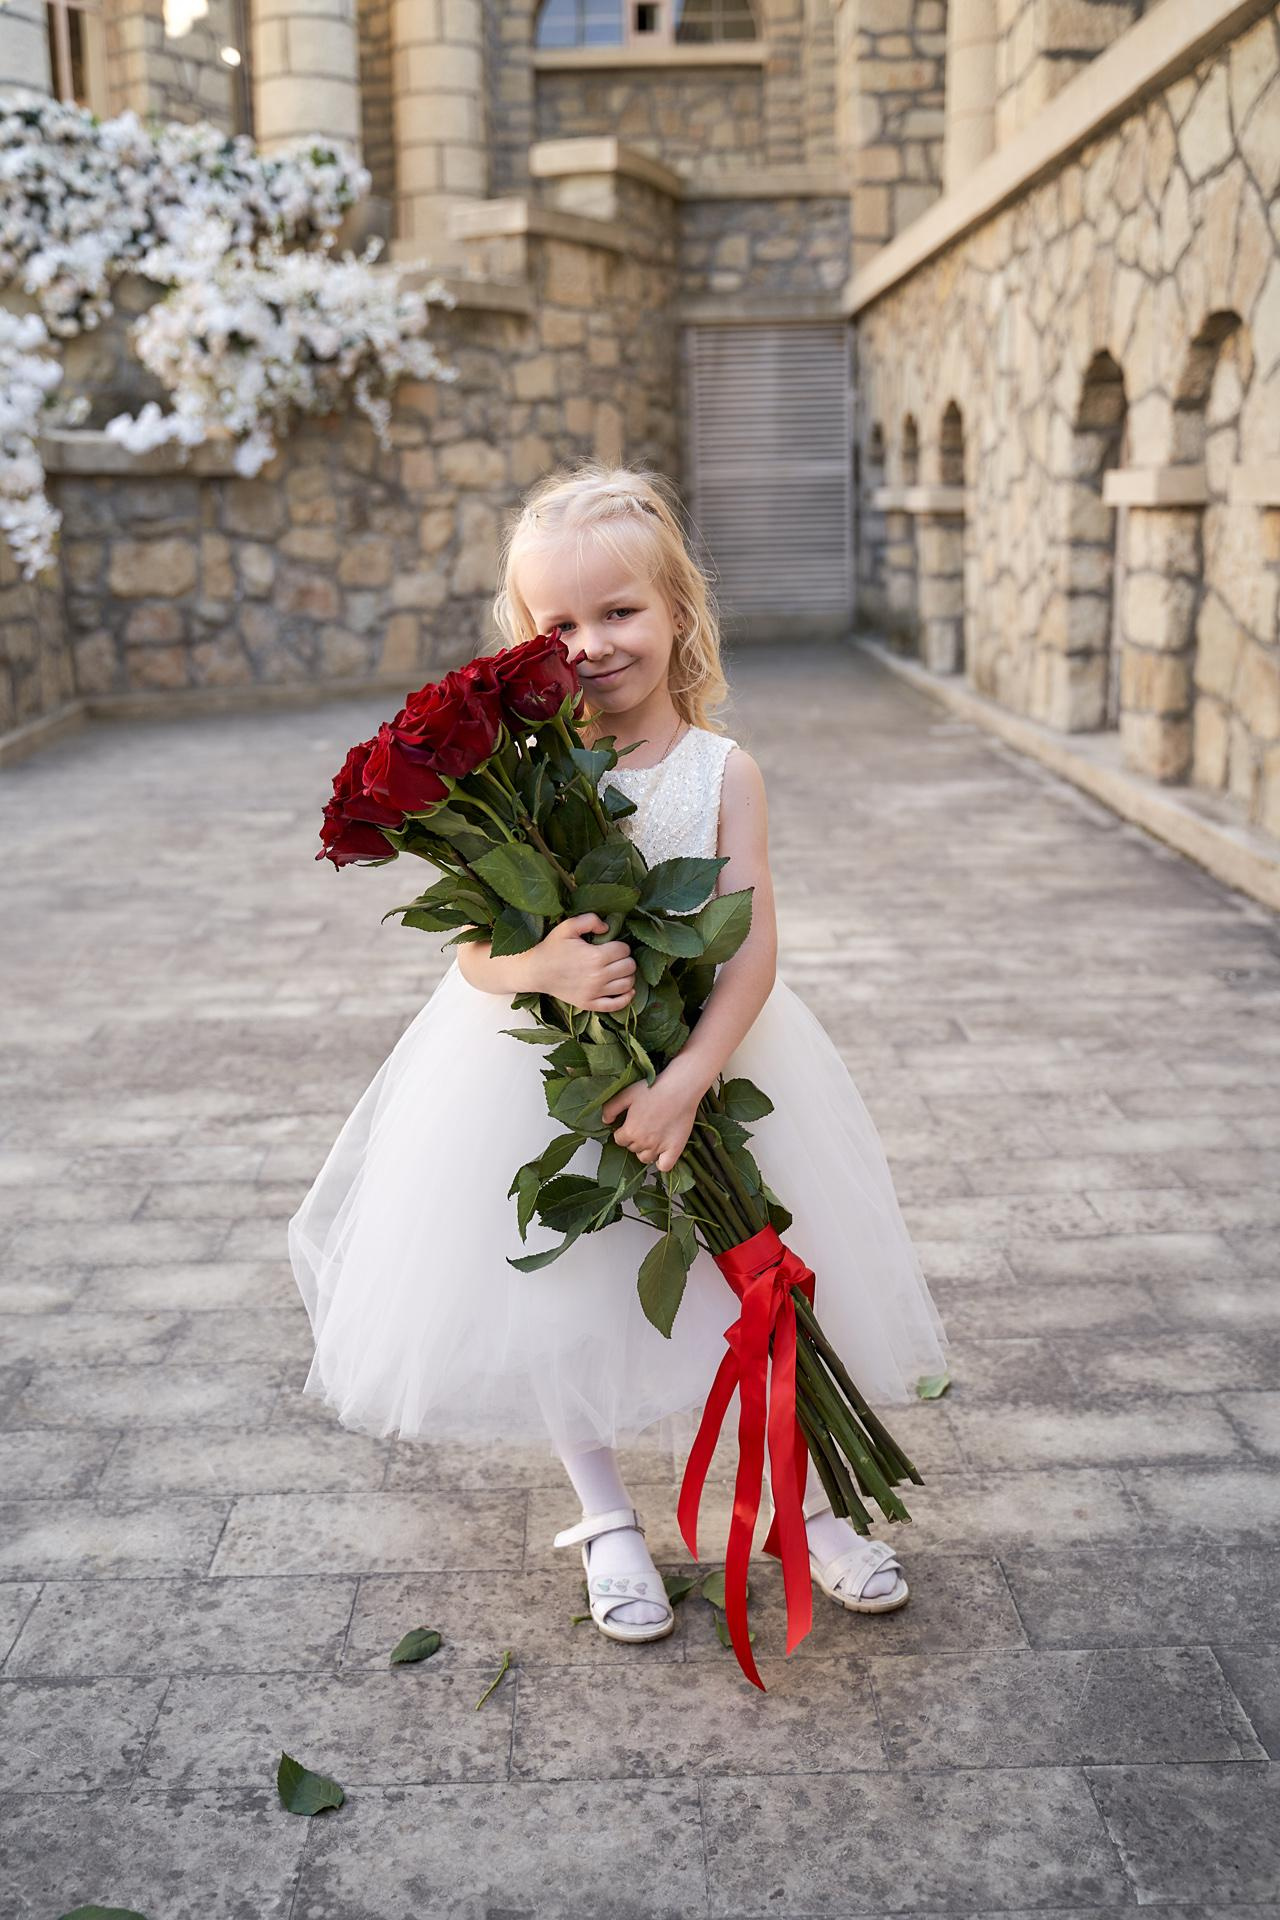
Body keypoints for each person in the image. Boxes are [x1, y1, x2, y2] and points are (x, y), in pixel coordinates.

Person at [288, 459, 951, 1646]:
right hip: (541, 1083)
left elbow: (750, 949)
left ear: (678, 612)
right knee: (561, 1294)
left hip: (712, 1061)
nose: (590, 643)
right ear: (523, 640)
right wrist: (542, 968)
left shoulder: (719, 772)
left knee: (740, 1273)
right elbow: (475, 957)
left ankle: (802, 1504)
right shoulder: (516, 782)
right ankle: (603, 1516)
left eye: (619, 611)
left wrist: (690, 1078)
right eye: (559, 622)